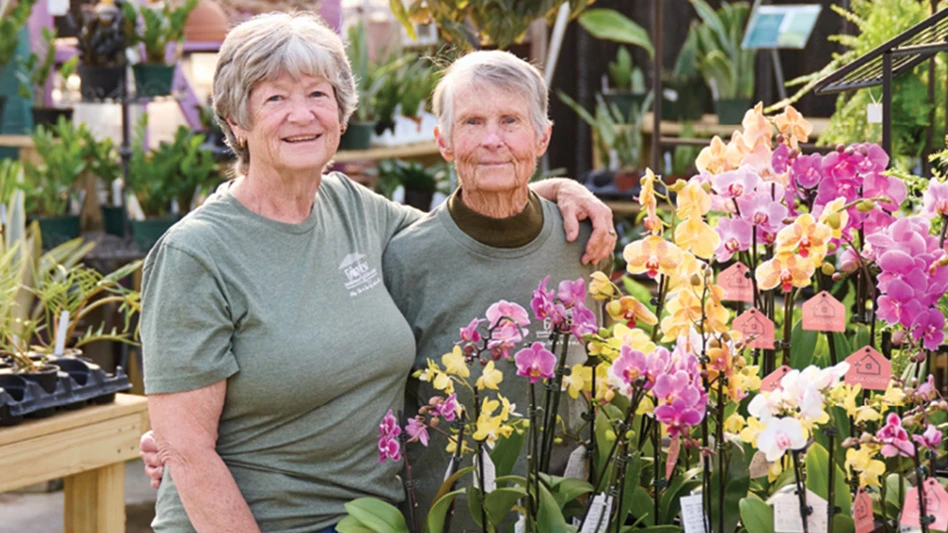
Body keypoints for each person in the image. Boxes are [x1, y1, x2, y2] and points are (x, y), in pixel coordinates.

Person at [139, 12, 615, 533]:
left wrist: (554, 192)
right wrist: (170, 439)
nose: (302, 115)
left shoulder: (352, 208)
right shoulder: (196, 253)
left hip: (373, 517)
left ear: (342, 115)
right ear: (236, 122)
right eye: (275, 98)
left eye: (318, 95)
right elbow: (186, 451)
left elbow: (466, 228)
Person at [383, 50, 607, 530]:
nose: (492, 140)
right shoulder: (405, 259)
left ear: (542, 136)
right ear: (443, 141)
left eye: (510, 121)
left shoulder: (584, 244)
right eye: (472, 122)